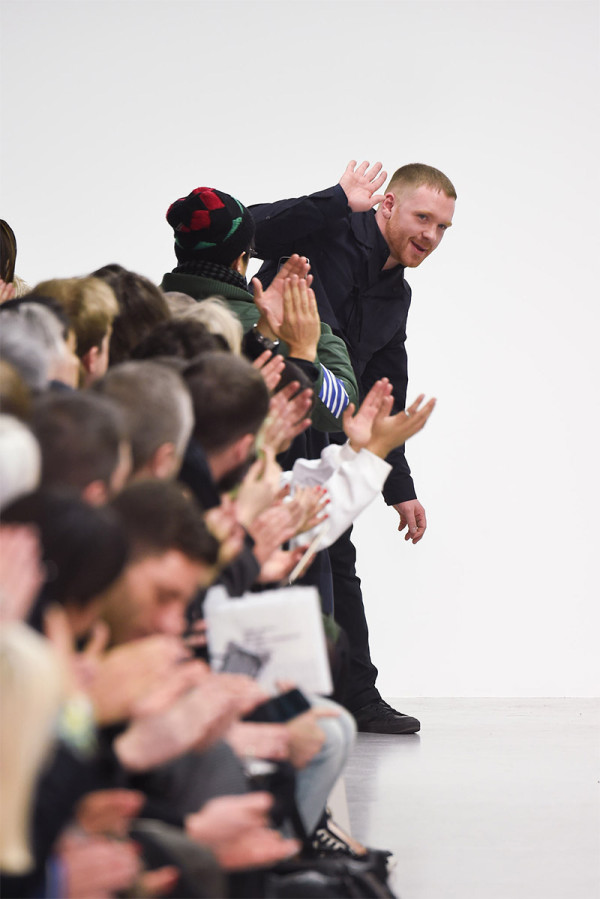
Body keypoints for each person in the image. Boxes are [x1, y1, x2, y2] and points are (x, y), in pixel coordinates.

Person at [250, 160, 456, 734]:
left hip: (324, 439)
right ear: (387, 205)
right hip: (267, 426)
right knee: (269, 559)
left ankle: (356, 697)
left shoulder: (397, 295)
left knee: (337, 561)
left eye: (443, 227)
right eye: (423, 218)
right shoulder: (328, 228)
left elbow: (385, 394)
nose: (431, 236)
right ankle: (274, 701)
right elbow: (250, 231)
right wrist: (334, 199)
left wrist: (400, 488)